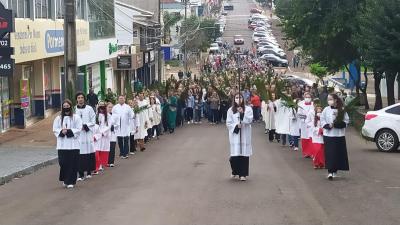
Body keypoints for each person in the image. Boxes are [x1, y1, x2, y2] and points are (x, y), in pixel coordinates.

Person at [53, 99, 82, 189]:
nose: (66, 108)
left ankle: (70, 181)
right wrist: (62, 132)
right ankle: (66, 179)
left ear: (70, 106)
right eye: (64, 106)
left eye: (67, 106)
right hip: (62, 145)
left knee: (72, 163)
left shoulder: (76, 117)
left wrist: (69, 131)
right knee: (63, 162)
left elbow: (79, 128)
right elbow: (55, 129)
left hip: (73, 145)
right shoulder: (58, 118)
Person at [320, 94, 350, 180]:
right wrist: (327, 125)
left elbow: (346, 121)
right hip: (328, 135)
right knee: (330, 153)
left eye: (331, 99)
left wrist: (337, 124)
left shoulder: (342, 110)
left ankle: (335, 170)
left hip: (339, 135)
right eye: (328, 99)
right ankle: (330, 171)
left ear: (336, 100)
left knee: (337, 153)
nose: (329, 101)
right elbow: (322, 119)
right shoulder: (326, 109)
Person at [226, 93, 254, 181]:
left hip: (245, 134)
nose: (238, 99)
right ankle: (235, 171)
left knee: (244, 154)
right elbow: (228, 123)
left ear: (243, 98)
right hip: (235, 135)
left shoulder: (248, 109)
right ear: (234, 99)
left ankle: (243, 174)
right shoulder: (230, 110)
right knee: (235, 156)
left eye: (240, 97)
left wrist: (242, 113)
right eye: (237, 98)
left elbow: (249, 120)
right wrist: (235, 126)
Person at [75, 92, 96, 181]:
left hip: (87, 134)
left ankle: (88, 172)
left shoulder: (89, 108)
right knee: (79, 154)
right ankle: (80, 174)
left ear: (84, 99)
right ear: (76, 99)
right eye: (78, 97)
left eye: (82, 97)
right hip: (79, 135)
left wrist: (85, 125)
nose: (80, 99)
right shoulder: (74, 109)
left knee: (88, 152)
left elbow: (93, 120)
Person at [93, 102, 111, 174]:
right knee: (97, 150)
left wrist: (103, 132)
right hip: (97, 135)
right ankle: (96, 165)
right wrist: (96, 134)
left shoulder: (108, 116)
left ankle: (100, 164)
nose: (101, 106)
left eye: (103, 105)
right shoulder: (95, 115)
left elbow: (109, 125)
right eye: (100, 105)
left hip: (104, 135)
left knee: (102, 150)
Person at [298, 93, 315, 158]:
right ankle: (306, 152)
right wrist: (304, 119)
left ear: (311, 98)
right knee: (305, 138)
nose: (307, 98)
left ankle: (312, 153)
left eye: (309, 97)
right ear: (304, 97)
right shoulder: (301, 104)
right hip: (304, 124)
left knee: (311, 138)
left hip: (311, 124)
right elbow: (299, 114)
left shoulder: (313, 104)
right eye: (306, 97)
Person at [107, 102, 119, 167]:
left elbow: (117, 124)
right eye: (109, 107)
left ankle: (111, 162)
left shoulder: (115, 115)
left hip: (113, 133)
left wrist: (113, 126)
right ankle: (106, 161)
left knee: (112, 147)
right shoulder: (104, 115)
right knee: (106, 148)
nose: (110, 108)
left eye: (111, 107)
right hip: (106, 134)